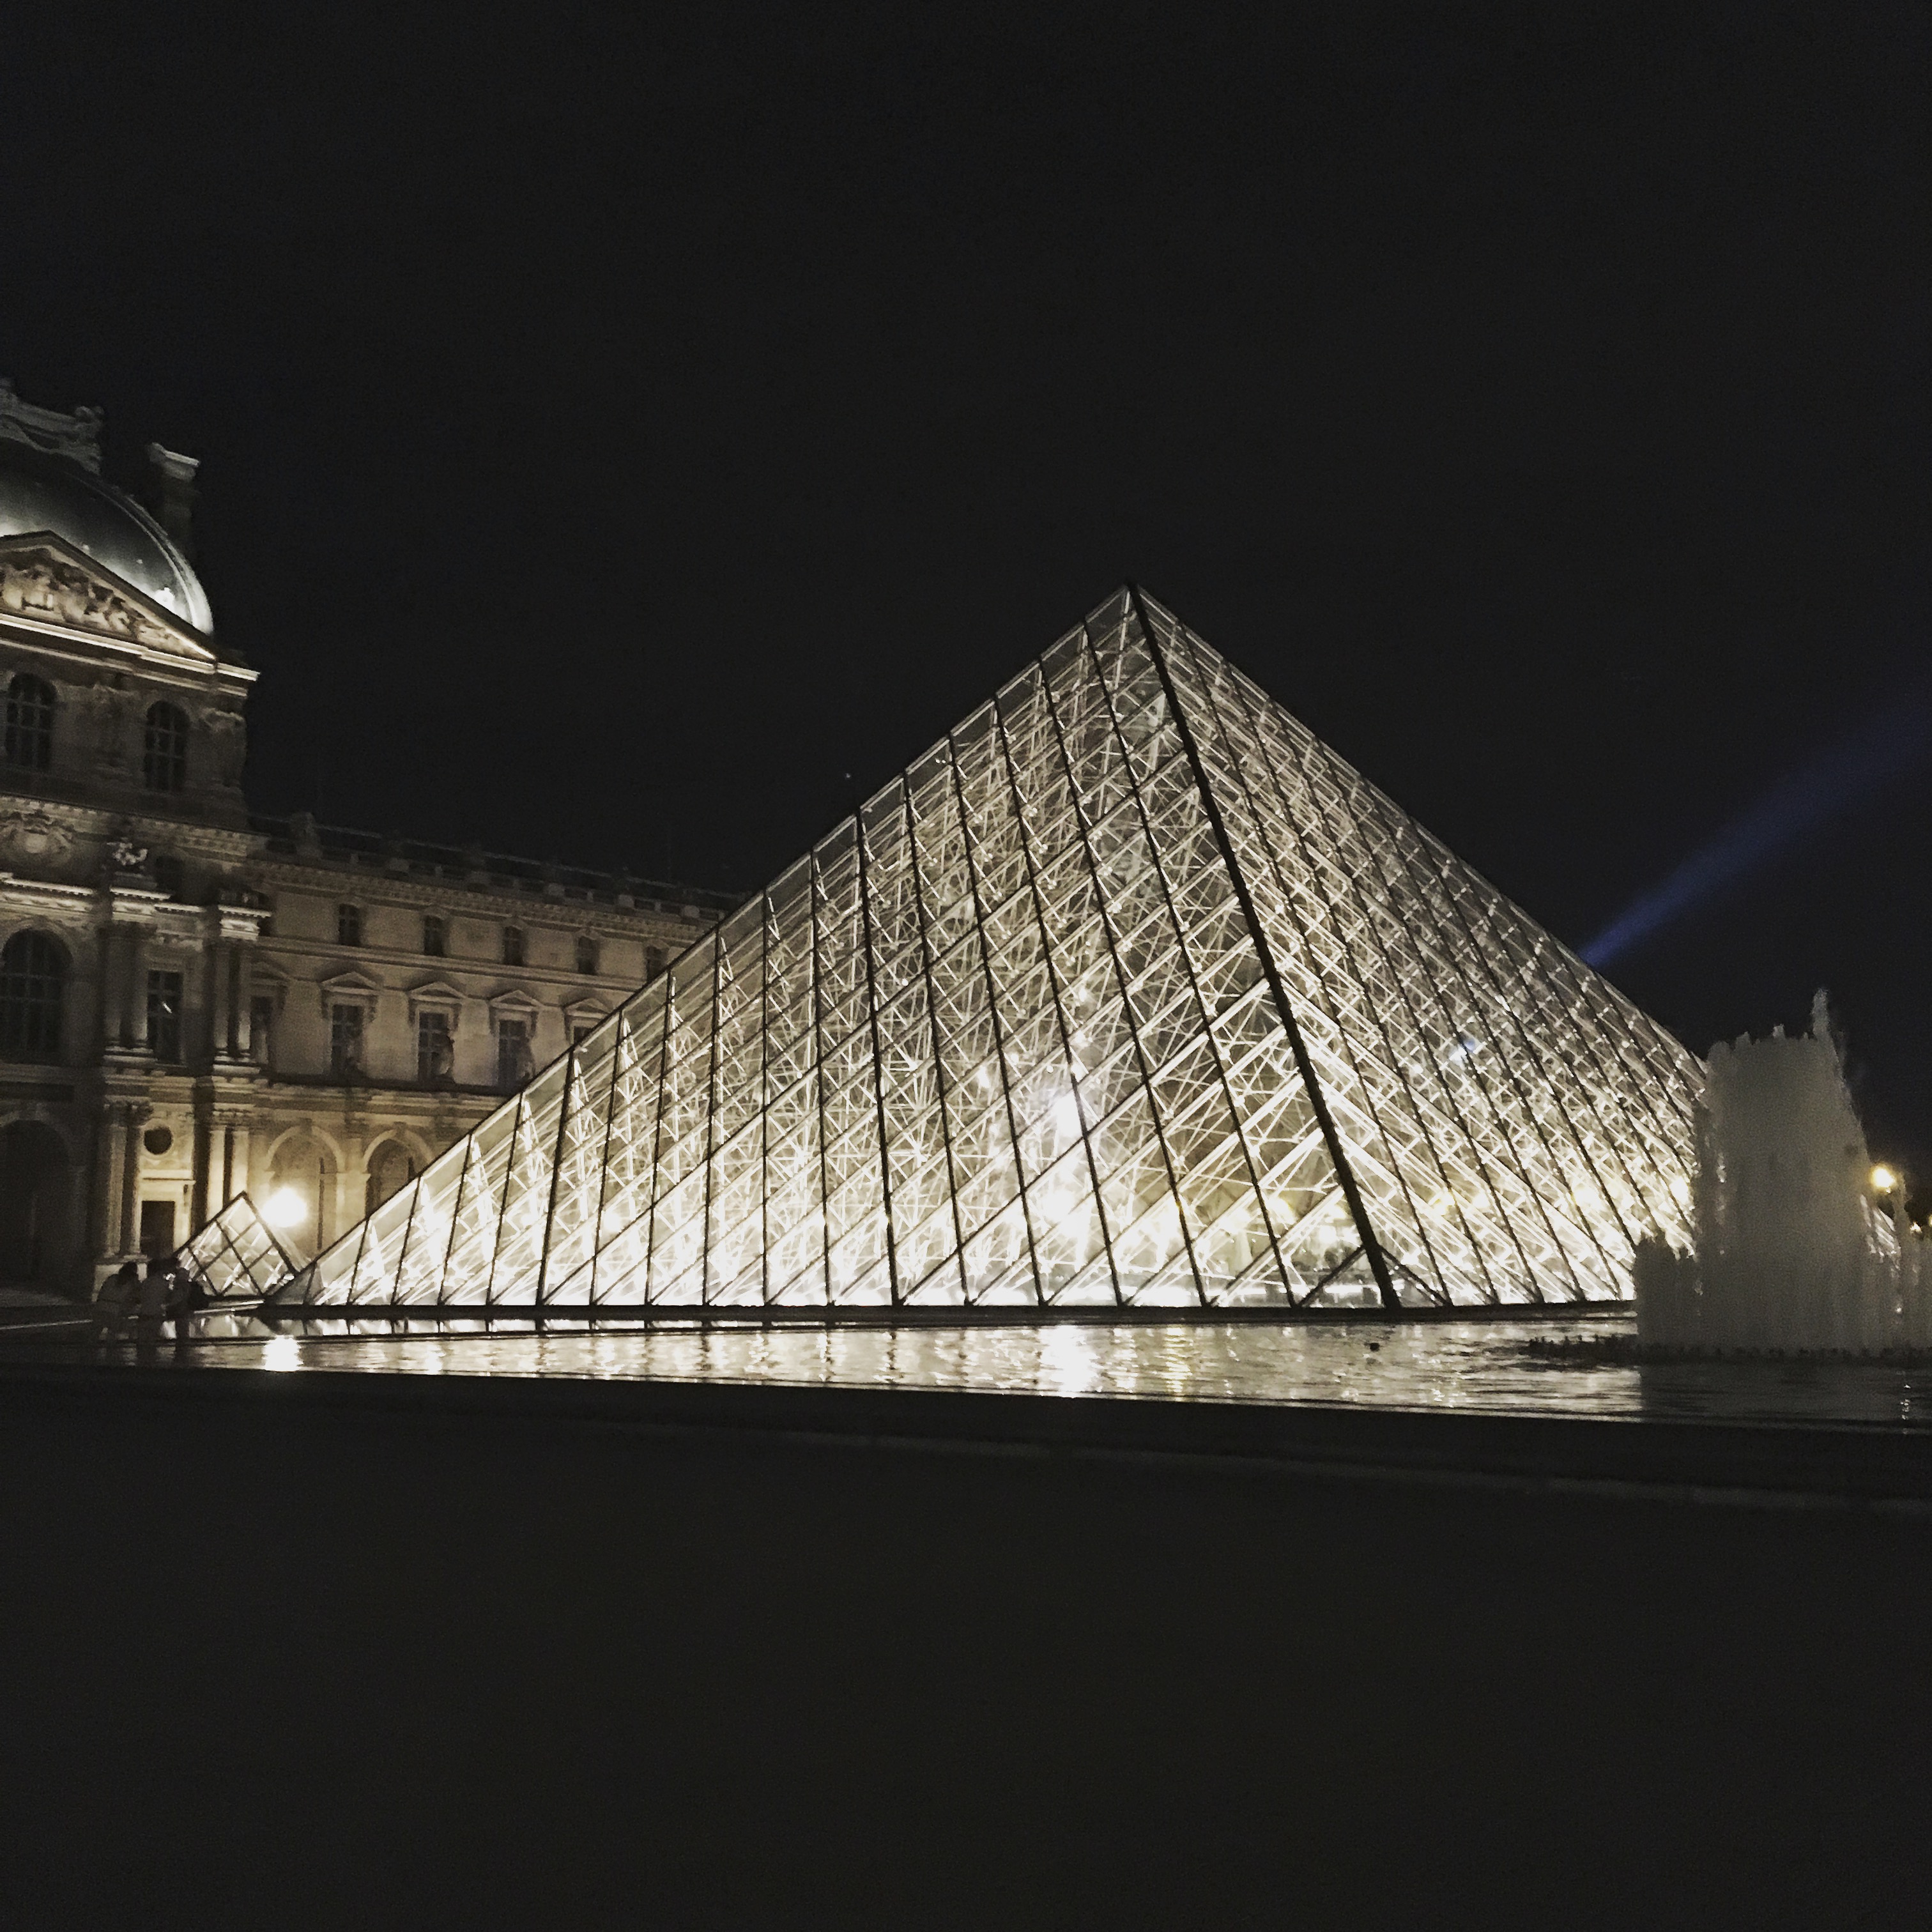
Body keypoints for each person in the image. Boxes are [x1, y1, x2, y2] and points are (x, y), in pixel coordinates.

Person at [94, 1260, 140, 1345]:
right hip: (115, 1309)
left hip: (101, 1306)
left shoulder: (112, 1278)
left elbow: (102, 1291)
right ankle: (110, 1351)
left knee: (95, 1334)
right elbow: (136, 1296)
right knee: (112, 1335)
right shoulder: (131, 1283)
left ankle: (89, 1351)